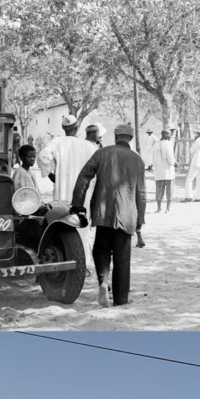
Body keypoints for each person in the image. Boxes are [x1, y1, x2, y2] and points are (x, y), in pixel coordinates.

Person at [71, 123, 146, 308]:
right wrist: (140, 220)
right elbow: (141, 193)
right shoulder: (137, 160)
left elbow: (83, 177)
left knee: (101, 249)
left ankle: (104, 281)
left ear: (115, 136)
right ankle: (121, 298)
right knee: (122, 256)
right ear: (131, 138)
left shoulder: (102, 153)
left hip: (102, 212)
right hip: (127, 214)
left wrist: (77, 205)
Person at [38, 114, 97, 203]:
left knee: (62, 213)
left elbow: (42, 157)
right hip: (81, 189)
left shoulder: (56, 142)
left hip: (62, 189)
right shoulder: (88, 146)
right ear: (76, 127)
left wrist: (50, 175)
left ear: (63, 128)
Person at [153, 129, 176, 213]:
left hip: (158, 171)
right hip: (168, 171)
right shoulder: (168, 144)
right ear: (165, 135)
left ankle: (159, 208)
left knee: (159, 190)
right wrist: (174, 163)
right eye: (169, 135)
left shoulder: (155, 144)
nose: (170, 137)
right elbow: (170, 158)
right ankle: (168, 209)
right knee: (169, 190)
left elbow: (153, 158)